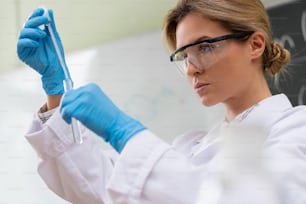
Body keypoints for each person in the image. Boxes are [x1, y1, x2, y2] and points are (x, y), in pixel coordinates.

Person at [17, 1, 306, 204]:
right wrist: (57, 92)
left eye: (204, 47)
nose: (191, 68)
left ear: (255, 44)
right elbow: (98, 188)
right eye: (184, 56)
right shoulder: (187, 148)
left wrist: (125, 132)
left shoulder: (296, 130)